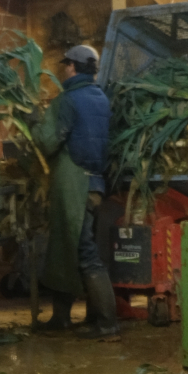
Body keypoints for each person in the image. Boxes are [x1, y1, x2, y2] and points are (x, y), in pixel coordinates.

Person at [34, 42, 120, 339]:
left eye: (65, 65)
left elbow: (48, 142)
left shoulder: (67, 101)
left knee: (83, 253)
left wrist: (36, 122)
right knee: (65, 249)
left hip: (74, 187)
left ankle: (108, 325)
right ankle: (61, 318)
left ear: (72, 67)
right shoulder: (100, 98)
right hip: (95, 185)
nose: (64, 70)